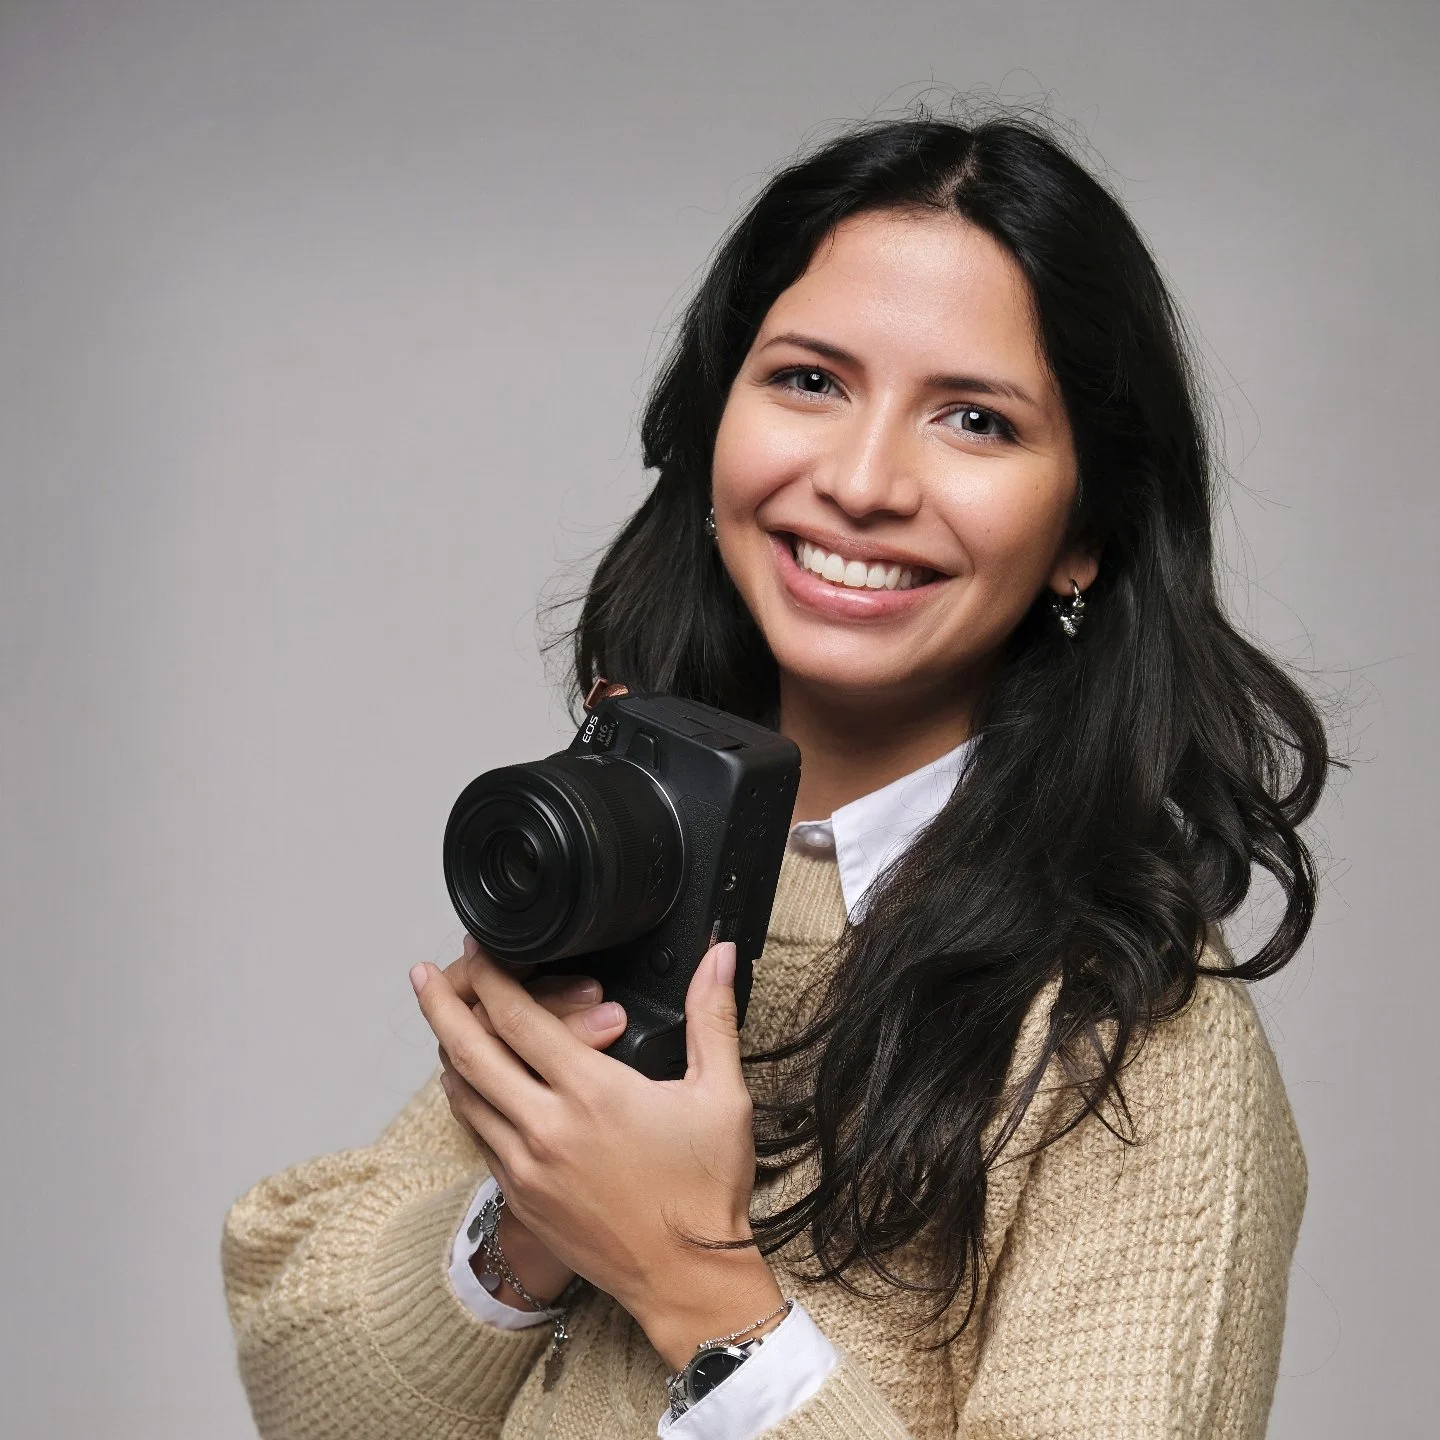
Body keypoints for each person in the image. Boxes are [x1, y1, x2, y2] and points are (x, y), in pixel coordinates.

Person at [222, 111, 1328, 1439]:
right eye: (810, 381)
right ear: (712, 431)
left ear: (1084, 533)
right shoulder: (648, 872)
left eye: (973, 419)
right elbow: (320, 1408)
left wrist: (694, 1282)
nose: (862, 481)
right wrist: (541, 1215)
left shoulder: (1127, 1031)